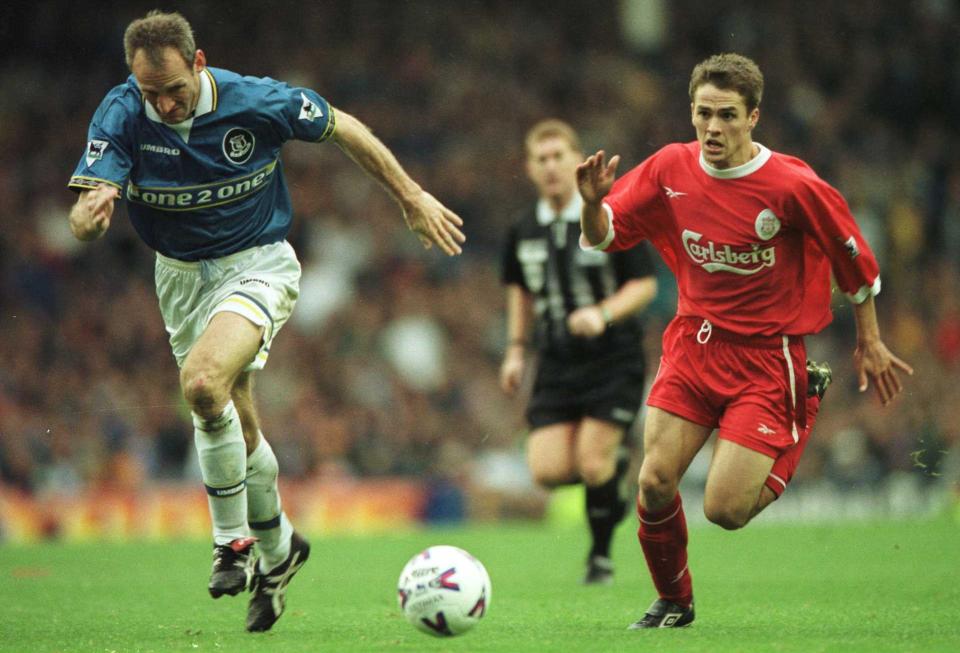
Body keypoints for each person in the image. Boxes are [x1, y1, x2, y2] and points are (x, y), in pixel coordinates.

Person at [66, 11, 464, 633]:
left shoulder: (255, 101)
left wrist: (410, 196)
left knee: (202, 384)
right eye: (152, 93)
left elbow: (343, 126)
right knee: (234, 418)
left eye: (175, 88)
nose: (165, 105)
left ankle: (232, 544)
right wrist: (88, 218)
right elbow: (84, 216)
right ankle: (280, 550)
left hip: (257, 264)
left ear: (199, 64)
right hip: (178, 277)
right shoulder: (120, 114)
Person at [577, 53, 913, 629]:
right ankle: (674, 604)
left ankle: (804, 402)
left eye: (727, 115)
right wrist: (589, 204)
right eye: (703, 113)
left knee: (726, 510)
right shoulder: (668, 169)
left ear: (753, 116)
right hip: (693, 343)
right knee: (654, 482)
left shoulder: (791, 184)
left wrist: (871, 339)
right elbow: (604, 236)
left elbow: (851, 254)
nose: (713, 127)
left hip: (766, 358)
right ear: (691, 112)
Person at [500, 120, 658, 584]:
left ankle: (600, 558)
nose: (551, 166)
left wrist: (603, 313)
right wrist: (514, 351)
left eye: (558, 156)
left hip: (613, 356)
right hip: (555, 361)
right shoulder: (522, 229)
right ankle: (615, 473)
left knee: (591, 462)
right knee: (548, 472)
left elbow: (645, 283)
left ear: (577, 160)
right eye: (541, 159)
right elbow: (520, 293)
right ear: (529, 168)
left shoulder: (609, 215)